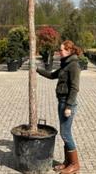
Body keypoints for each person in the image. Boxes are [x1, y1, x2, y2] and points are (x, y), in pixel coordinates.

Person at [37, 40, 81, 174]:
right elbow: (52, 75)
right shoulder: (65, 64)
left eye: (61, 50)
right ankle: (67, 162)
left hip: (67, 103)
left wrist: (68, 106)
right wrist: (37, 70)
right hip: (61, 101)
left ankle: (75, 164)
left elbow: (74, 88)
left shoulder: (73, 65)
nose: (59, 52)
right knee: (64, 133)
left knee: (65, 133)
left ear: (68, 51)